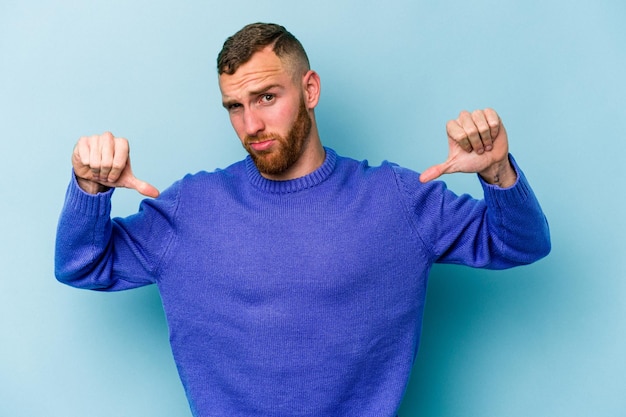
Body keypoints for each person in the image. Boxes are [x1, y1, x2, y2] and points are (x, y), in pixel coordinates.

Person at [55, 22, 550, 417]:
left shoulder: (396, 200)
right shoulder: (191, 208)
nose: (251, 125)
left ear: (309, 89)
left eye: (267, 97)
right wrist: (90, 190)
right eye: (235, 107)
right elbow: (81, 265)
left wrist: (497, 171)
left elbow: (520, 243)